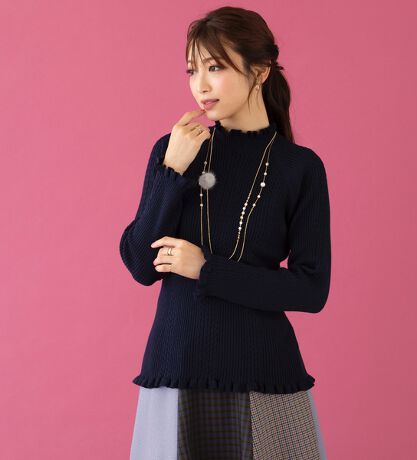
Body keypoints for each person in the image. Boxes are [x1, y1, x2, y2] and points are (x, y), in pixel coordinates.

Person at [120, 6, 331, 459]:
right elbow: (140, 263)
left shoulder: (300, 168)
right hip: (176, 370)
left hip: (263, 374)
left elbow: (312, 289)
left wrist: (207, 270)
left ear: (261, 70)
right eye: (192, 70)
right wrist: (172, 170)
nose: (200, 84)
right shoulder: (174, 151)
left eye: (215, 67)